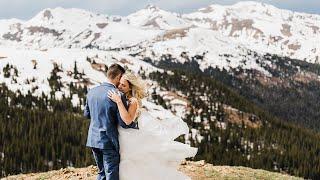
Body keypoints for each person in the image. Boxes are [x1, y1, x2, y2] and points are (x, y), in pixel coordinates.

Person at [107, 71, 198, 180]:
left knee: (130, 163)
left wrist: (118, 102)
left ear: (130, 88)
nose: (120, 86)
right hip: (120, 134)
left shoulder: (133, 101)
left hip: (128, 136)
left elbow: (127, 120)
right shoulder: (121, 97)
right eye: (119, 83)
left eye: (124, 85)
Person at [84, 64, 137, 180]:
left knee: (102, 172)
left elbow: (87, 114)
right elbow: (124, 123)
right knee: (111, 173)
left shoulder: (91, 92)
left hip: (93, 139)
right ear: (118, 77)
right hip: (108, 139)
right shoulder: (117, 95)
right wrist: (135, 126)